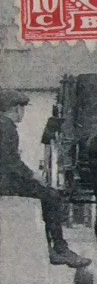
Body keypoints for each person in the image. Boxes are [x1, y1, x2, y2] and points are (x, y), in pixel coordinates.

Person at [0, 89, 92, 269]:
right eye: (22, 109)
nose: (23, 113)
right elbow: (9, 162)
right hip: (3, 182)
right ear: (15, 108)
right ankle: (59, 248)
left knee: (45, 193)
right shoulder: (7, 127)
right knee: (51, 196)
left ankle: (51, 246)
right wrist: (32, 175)